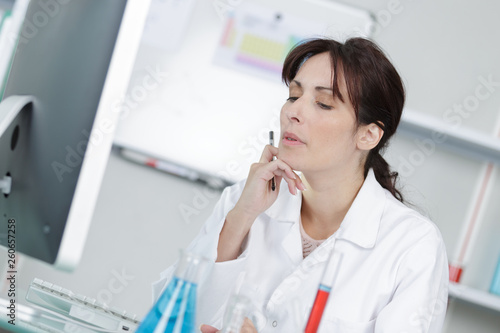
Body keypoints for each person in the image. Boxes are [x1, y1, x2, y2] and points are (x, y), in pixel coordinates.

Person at [153, 37, 449, 332]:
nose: (293, 112)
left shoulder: (412, 246)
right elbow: (169, 317)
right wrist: (240, 218)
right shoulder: (244, 200)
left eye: (323, 103)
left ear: (369, 135)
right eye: (293, 96)